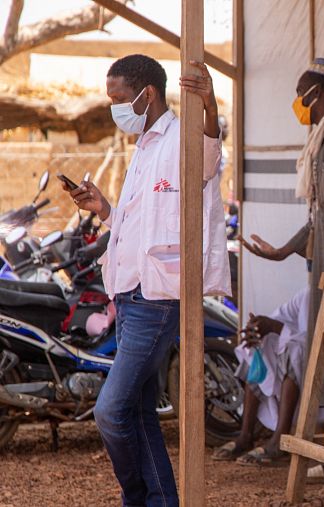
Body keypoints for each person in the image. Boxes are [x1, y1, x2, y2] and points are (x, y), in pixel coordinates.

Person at [65, 54, 229, 506]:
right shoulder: (144, 147)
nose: (114, 108)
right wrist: (104, 210)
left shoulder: (182, 138)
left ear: (147, 94)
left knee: (111, 409)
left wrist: (211, 108)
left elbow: (210, 153)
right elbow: (141, 227)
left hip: (156, 298)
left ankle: (137, 498)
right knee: (138, 411)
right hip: (130, 292)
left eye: (119, 98)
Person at [241, 58, 324, 408]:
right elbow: (321, 214)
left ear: (316, 92)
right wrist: (281, 251)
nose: (298, 104)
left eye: (299, 95)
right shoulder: (323, 135)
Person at [213, 287, 310, 465]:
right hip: (303, 357)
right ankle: (246, 435)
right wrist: (258, 327)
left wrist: (274, 326)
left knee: (295, 351)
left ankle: (281, 438)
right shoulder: (306, 294)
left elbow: (311, 340)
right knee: (261, 344)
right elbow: (278, 318)